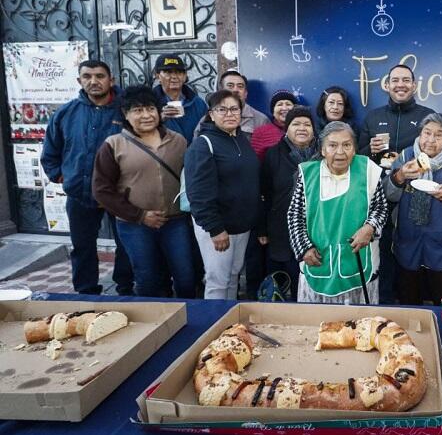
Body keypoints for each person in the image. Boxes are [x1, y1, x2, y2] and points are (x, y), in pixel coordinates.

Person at [41, 60, 134, 295]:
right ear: (79, 81)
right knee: (82, 246)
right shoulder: (66, 113)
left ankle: (125, 288)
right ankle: (86, 292)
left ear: (111, 80)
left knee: (127, 244)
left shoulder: (126, 111)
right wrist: (63, 177)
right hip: (81, 194)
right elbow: (51, 152)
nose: (94, 81)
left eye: (100, 76)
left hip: (120, 193)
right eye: (87, 76)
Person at [92, 86, 195, 298]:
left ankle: (190, 320)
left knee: (186, 276)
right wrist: (140, 215)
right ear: (126, 114)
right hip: (135, 226)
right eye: (138, 110)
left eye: (150, 109)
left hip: (175, 222)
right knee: (147, 278)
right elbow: (102, 190)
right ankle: (156, 323)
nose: (146, 115)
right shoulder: (113, 145)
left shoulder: (178, 141)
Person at [357, 64, 435, 303]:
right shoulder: (373, 116)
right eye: (395, 80)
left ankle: (412, 302)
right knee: (383, 249)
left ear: (414, 85)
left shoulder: (427, 116)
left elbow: (437, 152)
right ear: (387, 85)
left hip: (416, 192)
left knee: (412, 248)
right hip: (378, 192)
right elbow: (358, 156)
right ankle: (385, 300)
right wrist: (369, 149)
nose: (400, 84)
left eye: (406, 80)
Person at [383, 113, 442, 304]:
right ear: (420, 134)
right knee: (410, 302)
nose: (431, 140)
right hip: (409, 242)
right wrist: (399, 176)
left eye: (438, 135)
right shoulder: (406, 156)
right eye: (427, 133)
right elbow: (387, 193)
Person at [288, 121, 388, 304]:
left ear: (354, 149)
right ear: (323, 149)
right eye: (333, 145)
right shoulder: (307, 173)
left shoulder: (369, 170)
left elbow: (380, 208)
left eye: (347, 145)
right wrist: (303, 248)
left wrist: (370, 227)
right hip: (318, 261)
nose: (340, 152)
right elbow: (295, 214)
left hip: (360, 262)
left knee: (360, 326)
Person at [184, 90, 261, 299]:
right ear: (211, 114)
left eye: (234, 108)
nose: (229, 114)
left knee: (233, 277)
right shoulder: (203, 144)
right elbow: (198, 193)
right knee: (218, 281)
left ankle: (229, 325)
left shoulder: (241, 140)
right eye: (222, 109)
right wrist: (215, 229)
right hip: (217, 229)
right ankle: (214, 325)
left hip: (241, 226)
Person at [259, 106, 318, 300]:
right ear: (287, 128)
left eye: (307, 124)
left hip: (318, 229)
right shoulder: (272, 154)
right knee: (289, 283)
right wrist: (263, 229)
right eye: (296, 124)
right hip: (282, 229)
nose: (302, 128)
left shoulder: (324, 153)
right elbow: (264, 193)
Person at [152, 53, 207, 144]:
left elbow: (207, 132)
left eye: (179, 72)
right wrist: (159, 120)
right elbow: (137, 133)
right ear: (158, 76)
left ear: (185, 76)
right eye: (168, 72)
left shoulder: (198, 103)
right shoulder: (148, 103)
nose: (174, 77)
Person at [210, 70, 269, 141]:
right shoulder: (210, 117)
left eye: (240, 86)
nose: (235, 90)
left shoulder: (261, 121)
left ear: (246, 93)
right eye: (230, 86)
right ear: (221, 91)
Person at [251, 90, 298, 161]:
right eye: (279, 104)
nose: (284, 108)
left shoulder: (303, 129)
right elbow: (254, 162)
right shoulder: (261, 132)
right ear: (273, 111)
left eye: (288, 104)